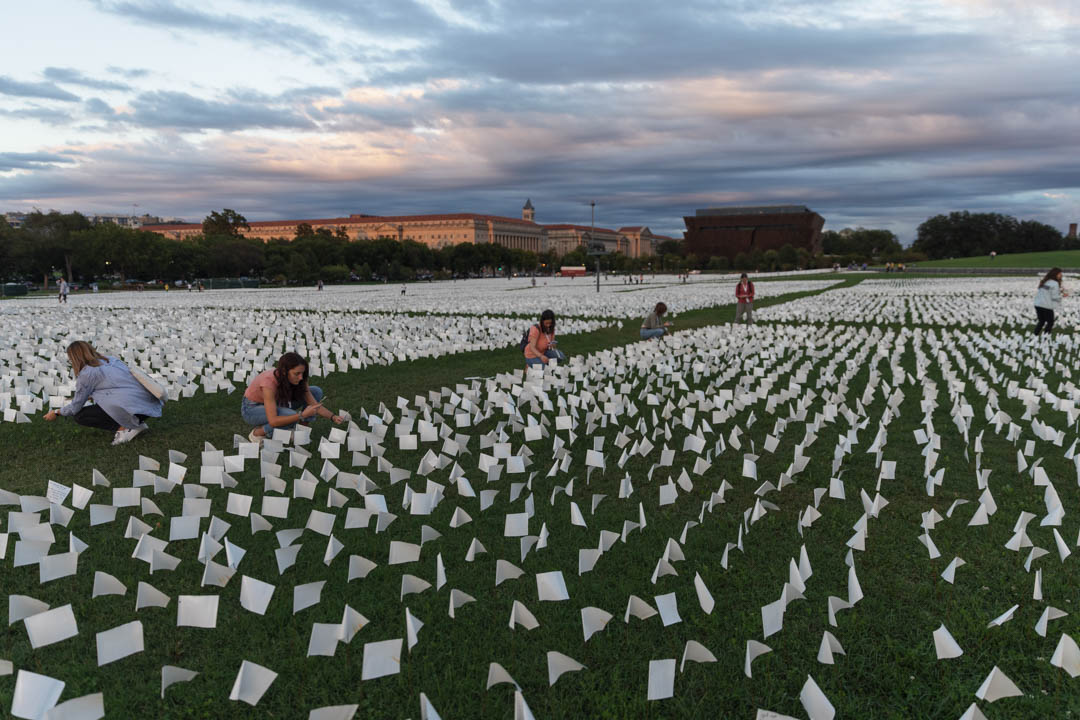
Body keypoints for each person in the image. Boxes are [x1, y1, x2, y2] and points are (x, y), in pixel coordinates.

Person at [42, 341, 164, 445]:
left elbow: (75, 407)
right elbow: (118, 385)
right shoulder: (111, 360)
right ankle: (135, 424)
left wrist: (57, 412)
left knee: (80, 416)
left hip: (133, 408)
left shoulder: (86, 374)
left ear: (74, 358)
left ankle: (126, 428)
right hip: (149, 403)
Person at [242, 352, 343, 443]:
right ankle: (257, 433)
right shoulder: (268, 383)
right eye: (297, 373)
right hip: (252, 408)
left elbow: (314, 404)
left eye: (302, 373)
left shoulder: (299, 379)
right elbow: (273, 420)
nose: (301, 377)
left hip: (276, 401)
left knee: (316, 391)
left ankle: (300, 431)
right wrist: (301, 415)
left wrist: (333, 417)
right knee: (290, 416)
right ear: (284, 371)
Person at [1034, 267, 1068, 336]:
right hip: (1046, 305)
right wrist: (1062, 296)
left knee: (1041, 321)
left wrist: (1059, 291)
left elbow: (1047, 292)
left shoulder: (1045, 281)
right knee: (1050, 322)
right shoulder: (1055, 283)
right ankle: (1046, 338)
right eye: (1059, 274)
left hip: (1038, 304)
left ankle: (1035, 335)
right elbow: (1055, 297)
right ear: (1055, 274)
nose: (1061, 275)